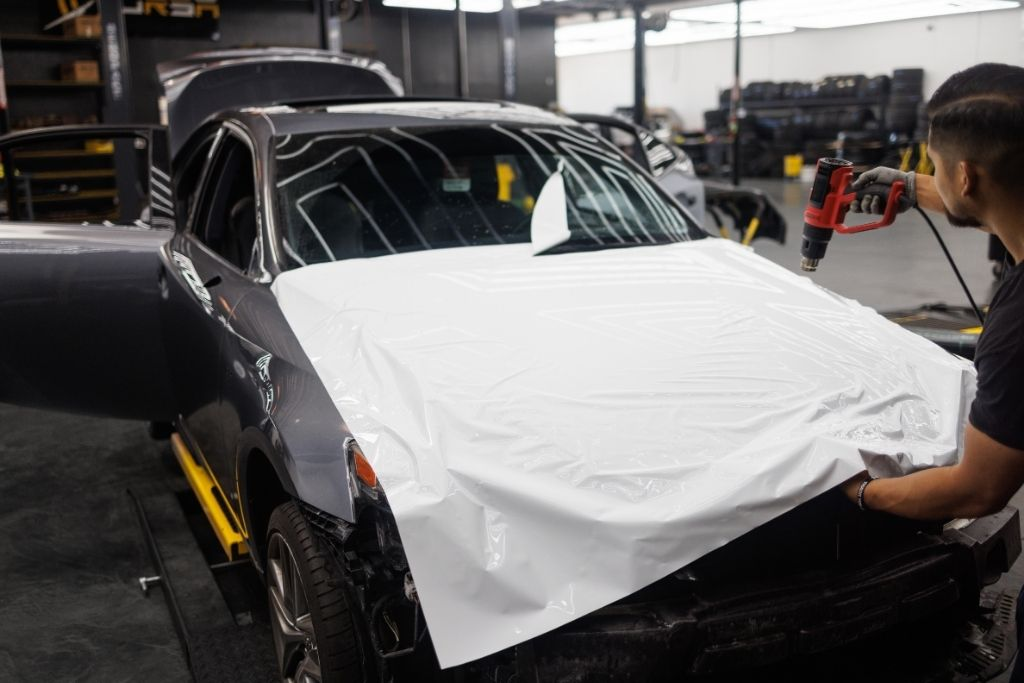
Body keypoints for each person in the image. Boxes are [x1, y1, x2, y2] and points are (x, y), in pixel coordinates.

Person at [841, 62, 1024, 679]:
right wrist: (916, 184)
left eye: (938, 164)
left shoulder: (1017, 329)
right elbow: (986, 191)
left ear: (967, 174)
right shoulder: (997, 181)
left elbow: (978, 489)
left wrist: (864, 493)